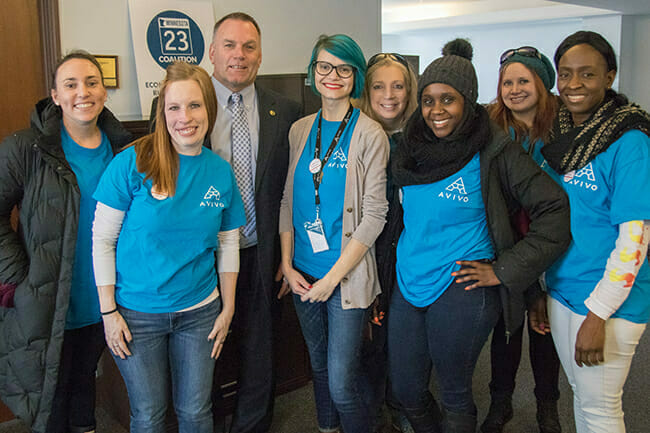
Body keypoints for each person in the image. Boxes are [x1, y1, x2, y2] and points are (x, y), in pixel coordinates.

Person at [387, 39, 571, 433]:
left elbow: (554, 209)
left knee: (454, 392)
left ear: (468, 102)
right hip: (408, 280)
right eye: (428, 100)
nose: (436, 111)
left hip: (463, 282)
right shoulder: (408, 148)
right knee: (405, 390)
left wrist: (504, 270)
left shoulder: (492, 149)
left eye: (448, 100)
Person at [91, 62, 245, 433]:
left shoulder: (220, 171)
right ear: (162, 112)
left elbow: (227, 244)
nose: (184, 117)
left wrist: (228, 308)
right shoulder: (131, 162)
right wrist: (109, 311)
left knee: (195, 411)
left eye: (194, 105)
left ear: (210, 108)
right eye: (174, 107)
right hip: (136, 316)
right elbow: (102, 240)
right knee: (148, 416)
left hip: (201, 312)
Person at [0, 51, 132, 433]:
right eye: (71, 84)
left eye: (92, 82)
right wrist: (18, 276)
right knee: (51, 398)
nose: (83, 92)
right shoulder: (27, 148)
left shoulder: (123, 150)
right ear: (55, 95)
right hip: (46, 299)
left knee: (84, 386)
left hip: (104, 301)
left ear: (104, 91)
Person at [528, 30, 650, 433]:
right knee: (584, 397)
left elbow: (634, 241)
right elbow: (555, 219)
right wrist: (544, 288)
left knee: (601, 410)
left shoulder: (630, 140)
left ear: (609, 76)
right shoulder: (561, 134)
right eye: (565, 75)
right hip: (563, 288)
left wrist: (598, 315)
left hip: (606, 302)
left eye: (587, 74)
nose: (574, 85)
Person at [279, 34, 389, 433]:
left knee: (343, 383)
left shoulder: (370, 134)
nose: (333, 75)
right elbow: (288, 202)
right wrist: (286, 263)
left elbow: (375, 216)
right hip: (302, 274)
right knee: (319, 366)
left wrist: (331, 279)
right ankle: (327, 429)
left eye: (344, 68)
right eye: (324, 66)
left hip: (344, 279)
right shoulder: (299, 130)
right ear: (312, 72)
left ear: (355, 76)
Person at [208, 12, 302, 433]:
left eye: (248, 47)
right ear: (212, 51)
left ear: (260, 56)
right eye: (229, 45)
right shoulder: (186, 104)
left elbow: (291, 192)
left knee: (260, 353)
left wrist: (287, 256)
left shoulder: (286, 111)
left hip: (262, 253)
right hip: (203, 259)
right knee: (204, 354)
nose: (238, 55)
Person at [482, 46, 562, 433]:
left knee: (545, 330)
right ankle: (501, 402)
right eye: (507, 82)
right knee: (507, 331)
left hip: (551, 247)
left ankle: (548, 405)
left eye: (523, 81)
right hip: (507, 244)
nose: (514, 89)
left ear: (542, 84)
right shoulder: (491, 131)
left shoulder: (566, 131)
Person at [356, 52, 418, 433]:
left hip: (409, 256)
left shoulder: (423, 137)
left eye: (398, 86)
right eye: (379, 86)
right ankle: (371, 413)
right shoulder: (355, 136)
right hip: (364, 253)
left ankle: (402, 405)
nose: (389, 95)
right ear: (367, 91)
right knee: (369, 343)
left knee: (405, 340)